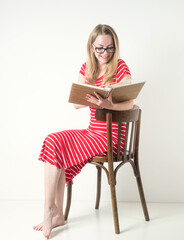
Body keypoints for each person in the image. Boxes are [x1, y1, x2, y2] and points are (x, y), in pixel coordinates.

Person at [33, 24, 133, 239]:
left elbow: (130, 104)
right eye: (99, 48)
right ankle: (53, 211)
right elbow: (76, 104)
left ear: (115, 47)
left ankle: (54, 212)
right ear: (91, 47)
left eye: (109, 48)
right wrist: (94, 99)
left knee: (60, 149)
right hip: (92, 133)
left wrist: (109, 103)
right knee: (53, 141)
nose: (104, 53)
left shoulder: (121, 67)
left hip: (111, 137)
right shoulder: (87, 67)